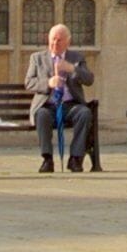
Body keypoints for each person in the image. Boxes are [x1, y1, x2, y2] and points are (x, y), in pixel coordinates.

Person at [30, 24, 94, 173]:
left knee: (84, 113)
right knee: (41, 115)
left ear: (68, 42)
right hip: (48, 105)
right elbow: (29, 82)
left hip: (71, 106)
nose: (55, 44)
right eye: (52, 39)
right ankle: (47, 159)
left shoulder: (77, 58)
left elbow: (89, 79)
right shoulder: (37, 58)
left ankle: (75, 159)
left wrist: (72, 69)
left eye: (59, 40)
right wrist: (48, 83)